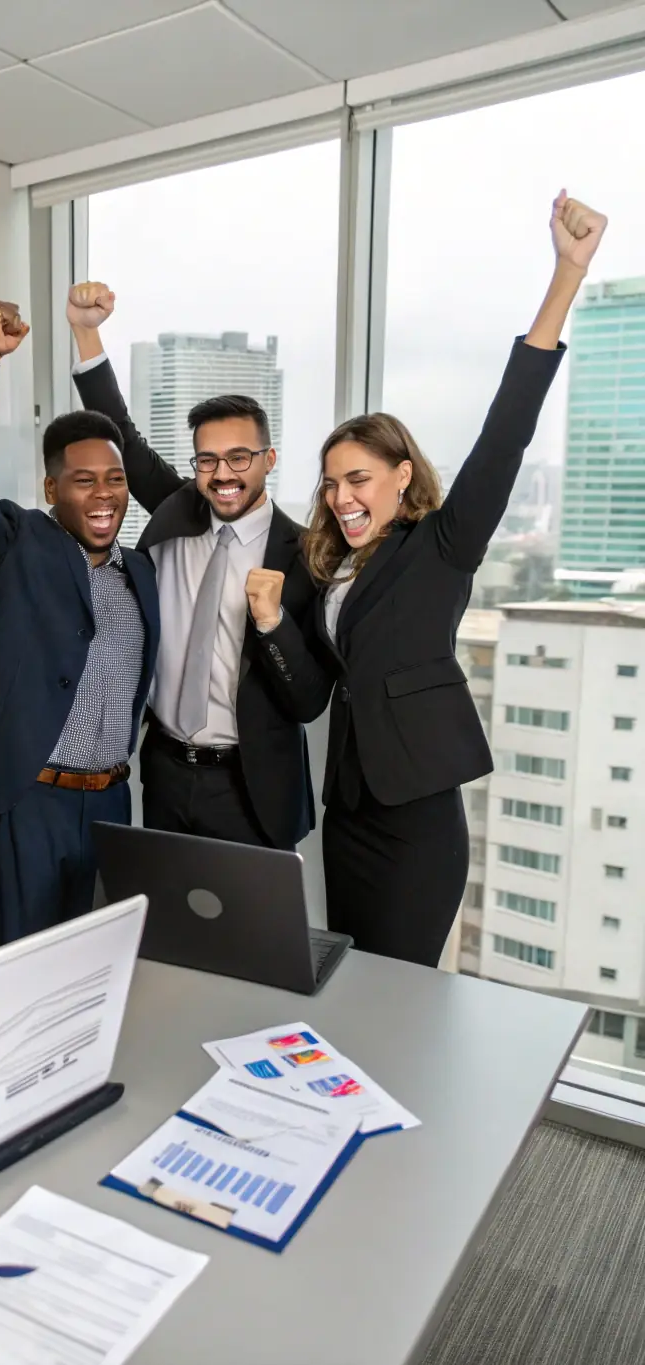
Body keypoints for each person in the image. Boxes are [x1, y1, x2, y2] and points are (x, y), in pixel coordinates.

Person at [254, 191, 608, 968]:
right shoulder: (330, 568)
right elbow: (312, 692)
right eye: (332, 483)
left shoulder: (442, 543)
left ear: (402, 474)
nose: (343, 496)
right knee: (352, 990)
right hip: (348, 811)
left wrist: (565, 277)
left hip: (416, 819)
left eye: (360, 478)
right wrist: (277, 622)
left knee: (403, 1001)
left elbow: (507, 432)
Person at [0, 298, 160, 946]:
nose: (104, 492)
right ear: (52, 488)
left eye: (114, 479)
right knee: (29, 970)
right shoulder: (12, 542)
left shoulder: (140, 571)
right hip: (32, 800)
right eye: (83, 480)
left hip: (113, 804)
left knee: (104, 970)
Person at [66, 286, 324, 852]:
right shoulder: (179, 507)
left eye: (239, 458)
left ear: (268, 460)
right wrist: (87, 331)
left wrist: (272, 622)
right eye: (207, 459)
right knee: (168, 930)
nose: (222, 473)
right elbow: (123, 437)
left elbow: (308, 700)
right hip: (163, 771)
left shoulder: (305, 556)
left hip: (249, 784)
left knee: (249, 938)